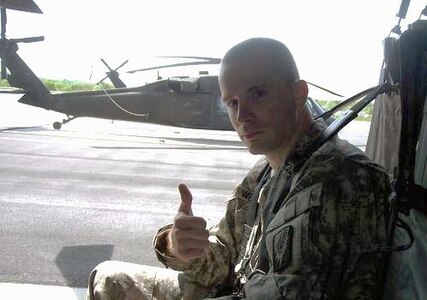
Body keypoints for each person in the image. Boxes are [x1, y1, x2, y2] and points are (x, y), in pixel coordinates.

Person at [86, 37, 391, 299]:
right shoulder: (267, 170)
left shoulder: (342, 179)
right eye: (231, 102)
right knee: (110, 279)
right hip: (236, 289)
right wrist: (180, 247)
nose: (242, 115)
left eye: (258, 94)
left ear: (299, 94)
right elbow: (224, 261)